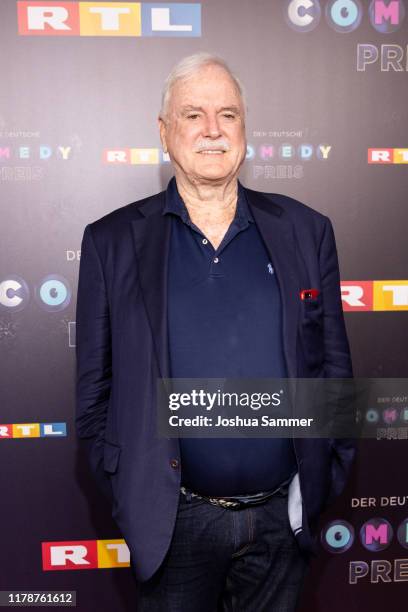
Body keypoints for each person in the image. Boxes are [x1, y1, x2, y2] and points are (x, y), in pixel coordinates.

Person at [76, 52, 355, 611]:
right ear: (164, 132)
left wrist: (322, 478)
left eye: (228, 115)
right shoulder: (111, 242)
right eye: (193, 115)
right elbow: (94, 395)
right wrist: (135, 490)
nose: (212, 130)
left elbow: (332, 370)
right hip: (173, 527)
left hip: (283, 521)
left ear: (245, 130)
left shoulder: (306, 230)